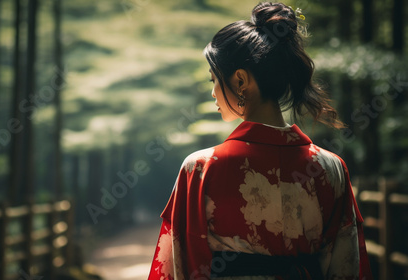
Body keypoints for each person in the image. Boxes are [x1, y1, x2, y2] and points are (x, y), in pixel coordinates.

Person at [147, 2, 372, 280]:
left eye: (213, 80)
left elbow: (178, 265)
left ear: (241, 81)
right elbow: (347, 267)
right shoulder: (331, 168)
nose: (213, 93)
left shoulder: (201, 169)